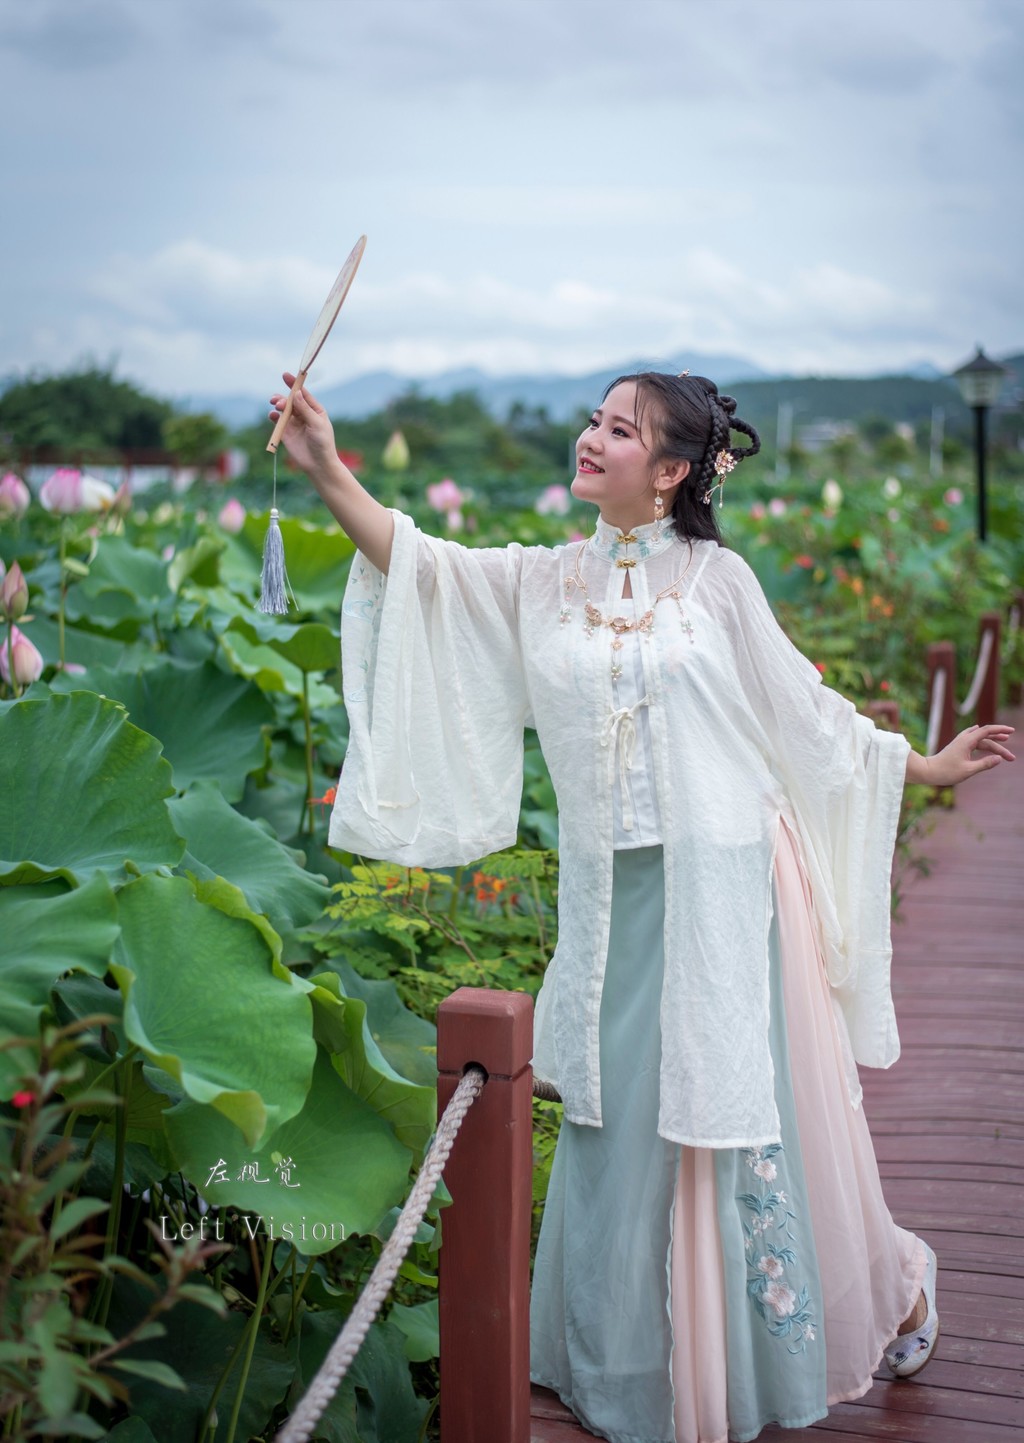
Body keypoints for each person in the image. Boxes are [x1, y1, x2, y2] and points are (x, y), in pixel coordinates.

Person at [269, 369, 1015, 1443]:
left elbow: (804, 711)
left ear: (669, 472)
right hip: (610, 900)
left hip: (726, 895)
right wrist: (326, 466)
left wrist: (923, 767)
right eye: (592, 420)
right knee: (612, 1124)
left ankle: (875, 1291)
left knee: (728, 1134)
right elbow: (423, 567)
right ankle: (627, 1369)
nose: (590, 439)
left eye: (618, 430)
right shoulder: (545, 581)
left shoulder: (718, 585)